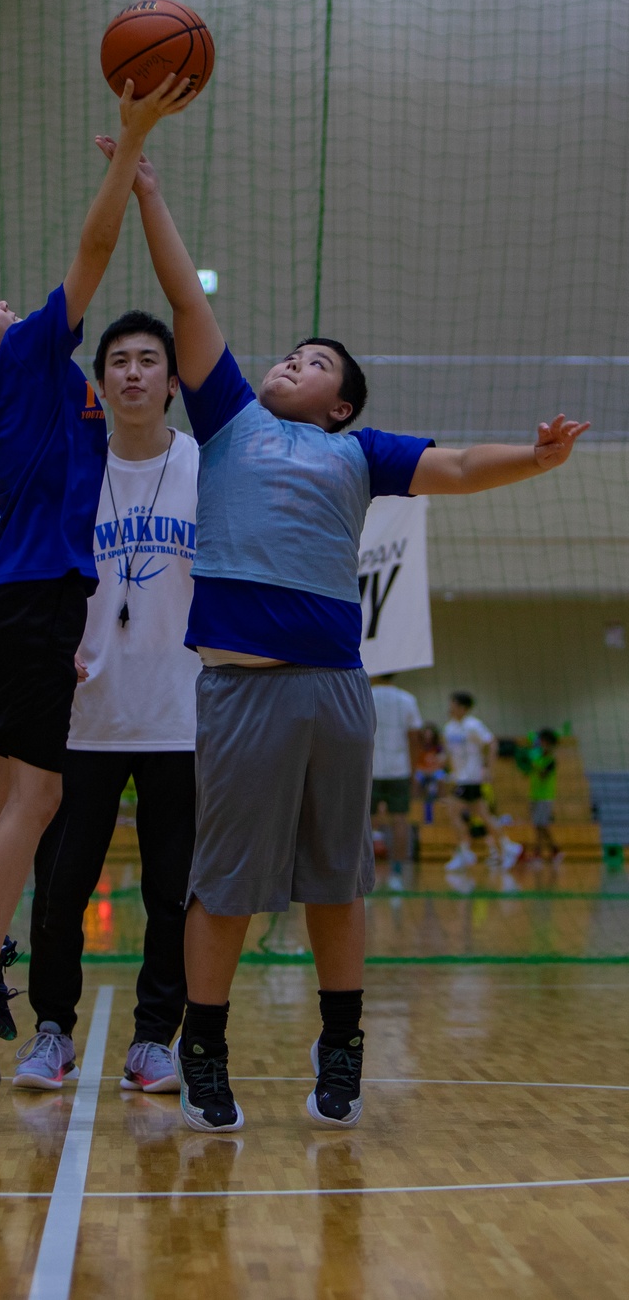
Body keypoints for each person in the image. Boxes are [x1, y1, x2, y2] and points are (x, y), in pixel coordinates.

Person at [98, 139, 590, 1135]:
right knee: (225, 887)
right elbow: (188, 307)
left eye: (314, 363)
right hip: (239, 689)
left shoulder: (360, 455)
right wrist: (149, 189)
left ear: (342, 403)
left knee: (335, 880)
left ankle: (343, 1041)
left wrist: (534, 464)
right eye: (292, 353)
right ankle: (203, 1042)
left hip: (333, 689)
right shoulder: (229, 419)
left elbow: (452, 467)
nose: (292, 361)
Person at [0, 73, 195, 1092]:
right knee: (40, 792)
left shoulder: (2, 387)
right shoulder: (20, 363)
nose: (11, 306)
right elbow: (94, 253)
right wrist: (134, 137)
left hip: (24, 592)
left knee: (16, 788)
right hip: (34, 591)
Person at [14, 310, 200, 1094]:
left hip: (183, 717)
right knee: (60, 888)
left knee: (174, 893)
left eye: (147, 360)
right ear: (100, 382)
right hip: (81, 720)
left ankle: (156, 1039)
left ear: (171, 378)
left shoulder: (206, 465)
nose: (131, 373)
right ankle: (50, 1029)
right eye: (117, 360)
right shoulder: (73, 468)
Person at [443, 692, 522, 872]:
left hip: (470, 778)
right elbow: (451, 754)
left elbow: (492, 743)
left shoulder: (473, 725)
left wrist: (488, 768)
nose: (450, 707)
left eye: (453, 704)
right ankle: (508, 847)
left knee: (453, 811)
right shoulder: (449, 728)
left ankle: (465, 851)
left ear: (462, 708)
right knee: (484, 815)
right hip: (460, 778)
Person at [370, 674, 423, 891]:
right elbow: (414, 739)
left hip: (370, 770)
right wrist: (414, 772)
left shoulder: (366, 695)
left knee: (366, 822)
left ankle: (366, 873)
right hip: (399, 770)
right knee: (400, 819)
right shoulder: (407, 699)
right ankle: (397, 872)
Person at [516, 727, 561, 863]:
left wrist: (534, 761)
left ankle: (538, 853)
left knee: (540, 825)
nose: (539, 744)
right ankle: (554, 850)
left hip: (545, 797)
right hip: (534, 795)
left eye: (541, 741)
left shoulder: (550, 760)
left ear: (547, 743)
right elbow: (526, 773)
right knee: (540, 825)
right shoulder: (537, 756)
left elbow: (543, 775)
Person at [415, 723, 447, 824]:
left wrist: (433, 769)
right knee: (416, 778)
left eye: (430, 735)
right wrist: (424, 770)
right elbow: (416, 763)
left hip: (434, 770)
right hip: (423, 770)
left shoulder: (438, 748)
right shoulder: (419, 747)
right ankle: (416, 801)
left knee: (441, 776)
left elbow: (441, 762)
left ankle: (442, 799)